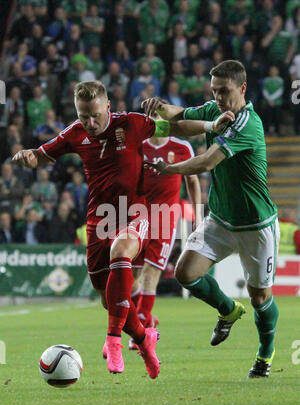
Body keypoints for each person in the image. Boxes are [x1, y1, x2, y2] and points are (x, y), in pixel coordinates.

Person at [12, 80, 232, 378]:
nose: (89, 123)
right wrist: (28, 157)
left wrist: (211, 125)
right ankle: (144, 338)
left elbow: (176, 128)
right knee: (108, 299)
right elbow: (41, 154)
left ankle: (113, 341)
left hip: (135, 213)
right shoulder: (75, 133)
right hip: (99, 220)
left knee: (122, 250)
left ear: (108, 107)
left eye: (95, 115)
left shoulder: (130, 124)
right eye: (82, 116)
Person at [142, 59, 280, 379]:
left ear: (242, 88)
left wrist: (169, 169)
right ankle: (228, 310)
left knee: (260, 296)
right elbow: (179, 117)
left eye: (225, 91)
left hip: (255, 224)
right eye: (214, 91)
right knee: (185, 273)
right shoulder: (213, 111)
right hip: (220, 218)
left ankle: (264, 354)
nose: (218, 98)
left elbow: (205, 162)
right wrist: (158, 106)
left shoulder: (248, 123)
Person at [129, 111, 201, 349]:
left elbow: (192, 181)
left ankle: (138, 333)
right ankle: (147, 318)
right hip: (137, 217)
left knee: (151, 272)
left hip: (165, 217)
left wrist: (197, 216)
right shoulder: (137, 146)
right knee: (131, 278)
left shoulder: (182, 148)